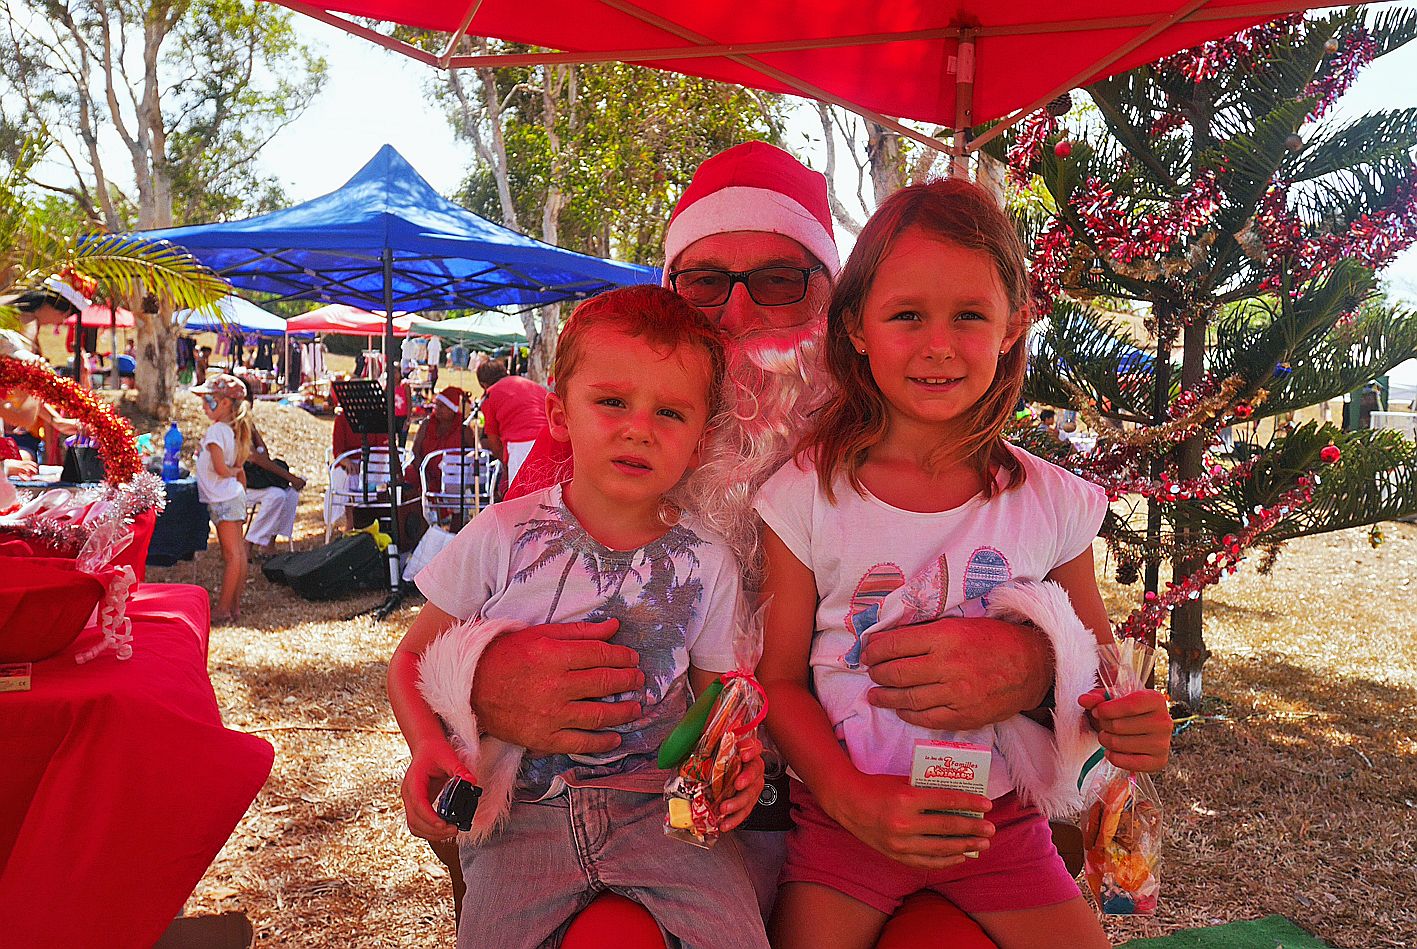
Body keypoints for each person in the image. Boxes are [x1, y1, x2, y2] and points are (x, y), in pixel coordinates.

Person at [434, 143, 1171, 941]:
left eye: (781, 282)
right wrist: (478, 680)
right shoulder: (593, 451)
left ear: (833, 306)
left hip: (928, 815)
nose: (739, 315)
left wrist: (1035, 666)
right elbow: (472, 607)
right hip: (671, 817)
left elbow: (1069, 624)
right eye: (704, 283)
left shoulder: (935, 435)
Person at [755, 179, 1168, 949]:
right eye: (906, 315)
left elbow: (1097, 670)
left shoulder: (1051, 502)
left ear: (1014, 327)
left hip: (1000, 829)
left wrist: (1133, 719)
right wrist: (850, 798)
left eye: (968, 316)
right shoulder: (803, 495)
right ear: (854, 328)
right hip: (849, 830)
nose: (937, 344)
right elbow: (777, 680)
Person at [389, 286, 769, 949]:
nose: (637, 427)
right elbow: (411, 657)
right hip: (522, 818)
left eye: (669, 412)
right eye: (612, 401)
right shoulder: (502, 534)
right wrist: (428, 744)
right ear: (559, 413)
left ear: (701, 438)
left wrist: (735, 756)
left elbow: (716, 697)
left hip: (663, 813)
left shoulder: (709, 560)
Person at [191, 373, 253, 622]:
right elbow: (239, 472)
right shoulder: (233, 431)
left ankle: (224, 608)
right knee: (238, 553)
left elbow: (221, 469)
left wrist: (232, 473)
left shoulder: (217, 431)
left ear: (225, 403)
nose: (204, 405)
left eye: (209, 400)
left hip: (223, 499)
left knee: (232, 555)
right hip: (231, 496)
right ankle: (234, 607)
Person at [242, 391, 306, 557]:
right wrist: (289, 477)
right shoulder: (232, 428)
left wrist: (253, 431)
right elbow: (256, 458)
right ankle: (249, 542)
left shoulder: (248, 425)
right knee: (276, 495)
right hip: (238, 483)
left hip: (253, 479)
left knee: (290, 494)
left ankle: (270, 542)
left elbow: (264, 455)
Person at [474, 359, 547, 483]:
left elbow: (494, 443)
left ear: (483, 384)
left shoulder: (490, 395)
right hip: (552, 440)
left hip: (521, 446)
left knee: (522, 498)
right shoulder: (530, 384)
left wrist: (506, 468)